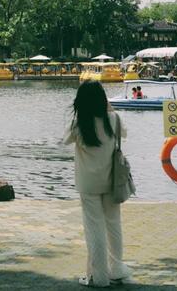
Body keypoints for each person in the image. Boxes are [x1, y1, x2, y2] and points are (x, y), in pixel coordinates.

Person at [64, 81, 132, 287]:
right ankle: (117, 270)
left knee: (95, 229)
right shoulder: (114, 119)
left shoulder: (79, 124)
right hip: (112, 181)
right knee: (113, 225)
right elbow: (125, 134)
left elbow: (65, 139)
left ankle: (98, 277)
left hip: (88, 184)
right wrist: (109, 110)